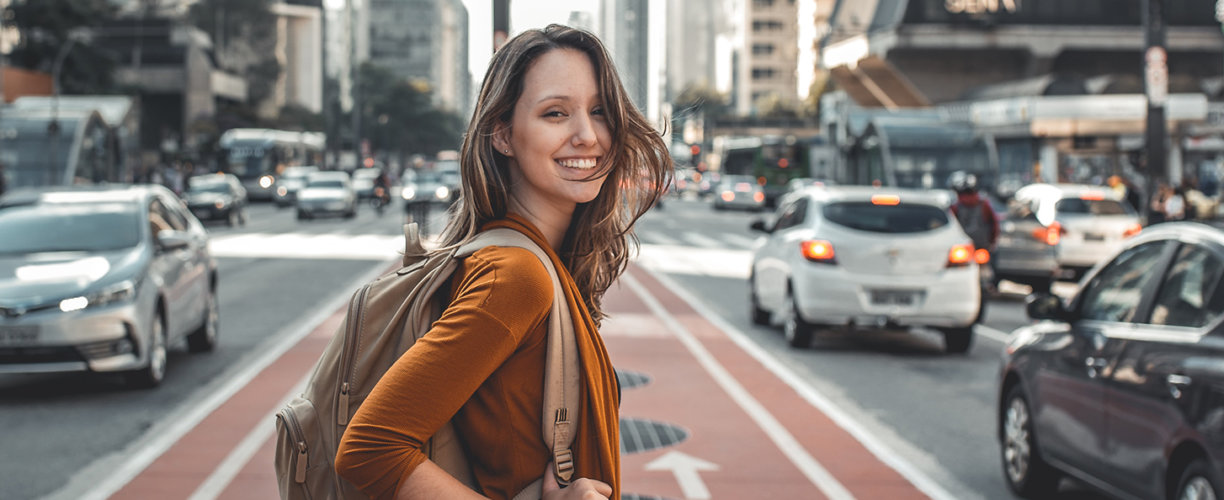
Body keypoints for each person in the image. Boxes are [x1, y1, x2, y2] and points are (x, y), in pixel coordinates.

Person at [334, 24, 671, 500]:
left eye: (599, 111)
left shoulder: (533, 260)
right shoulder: (515, 276)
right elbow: (370, 448)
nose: (587, 135)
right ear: (503, 135)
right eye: (556, 113)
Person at [948, 172, 999, 297]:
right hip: (981, 246)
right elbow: (994, 225)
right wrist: (992, 242)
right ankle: (993, 285)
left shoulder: (955, 207)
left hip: (963, 248)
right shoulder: (984, 205)